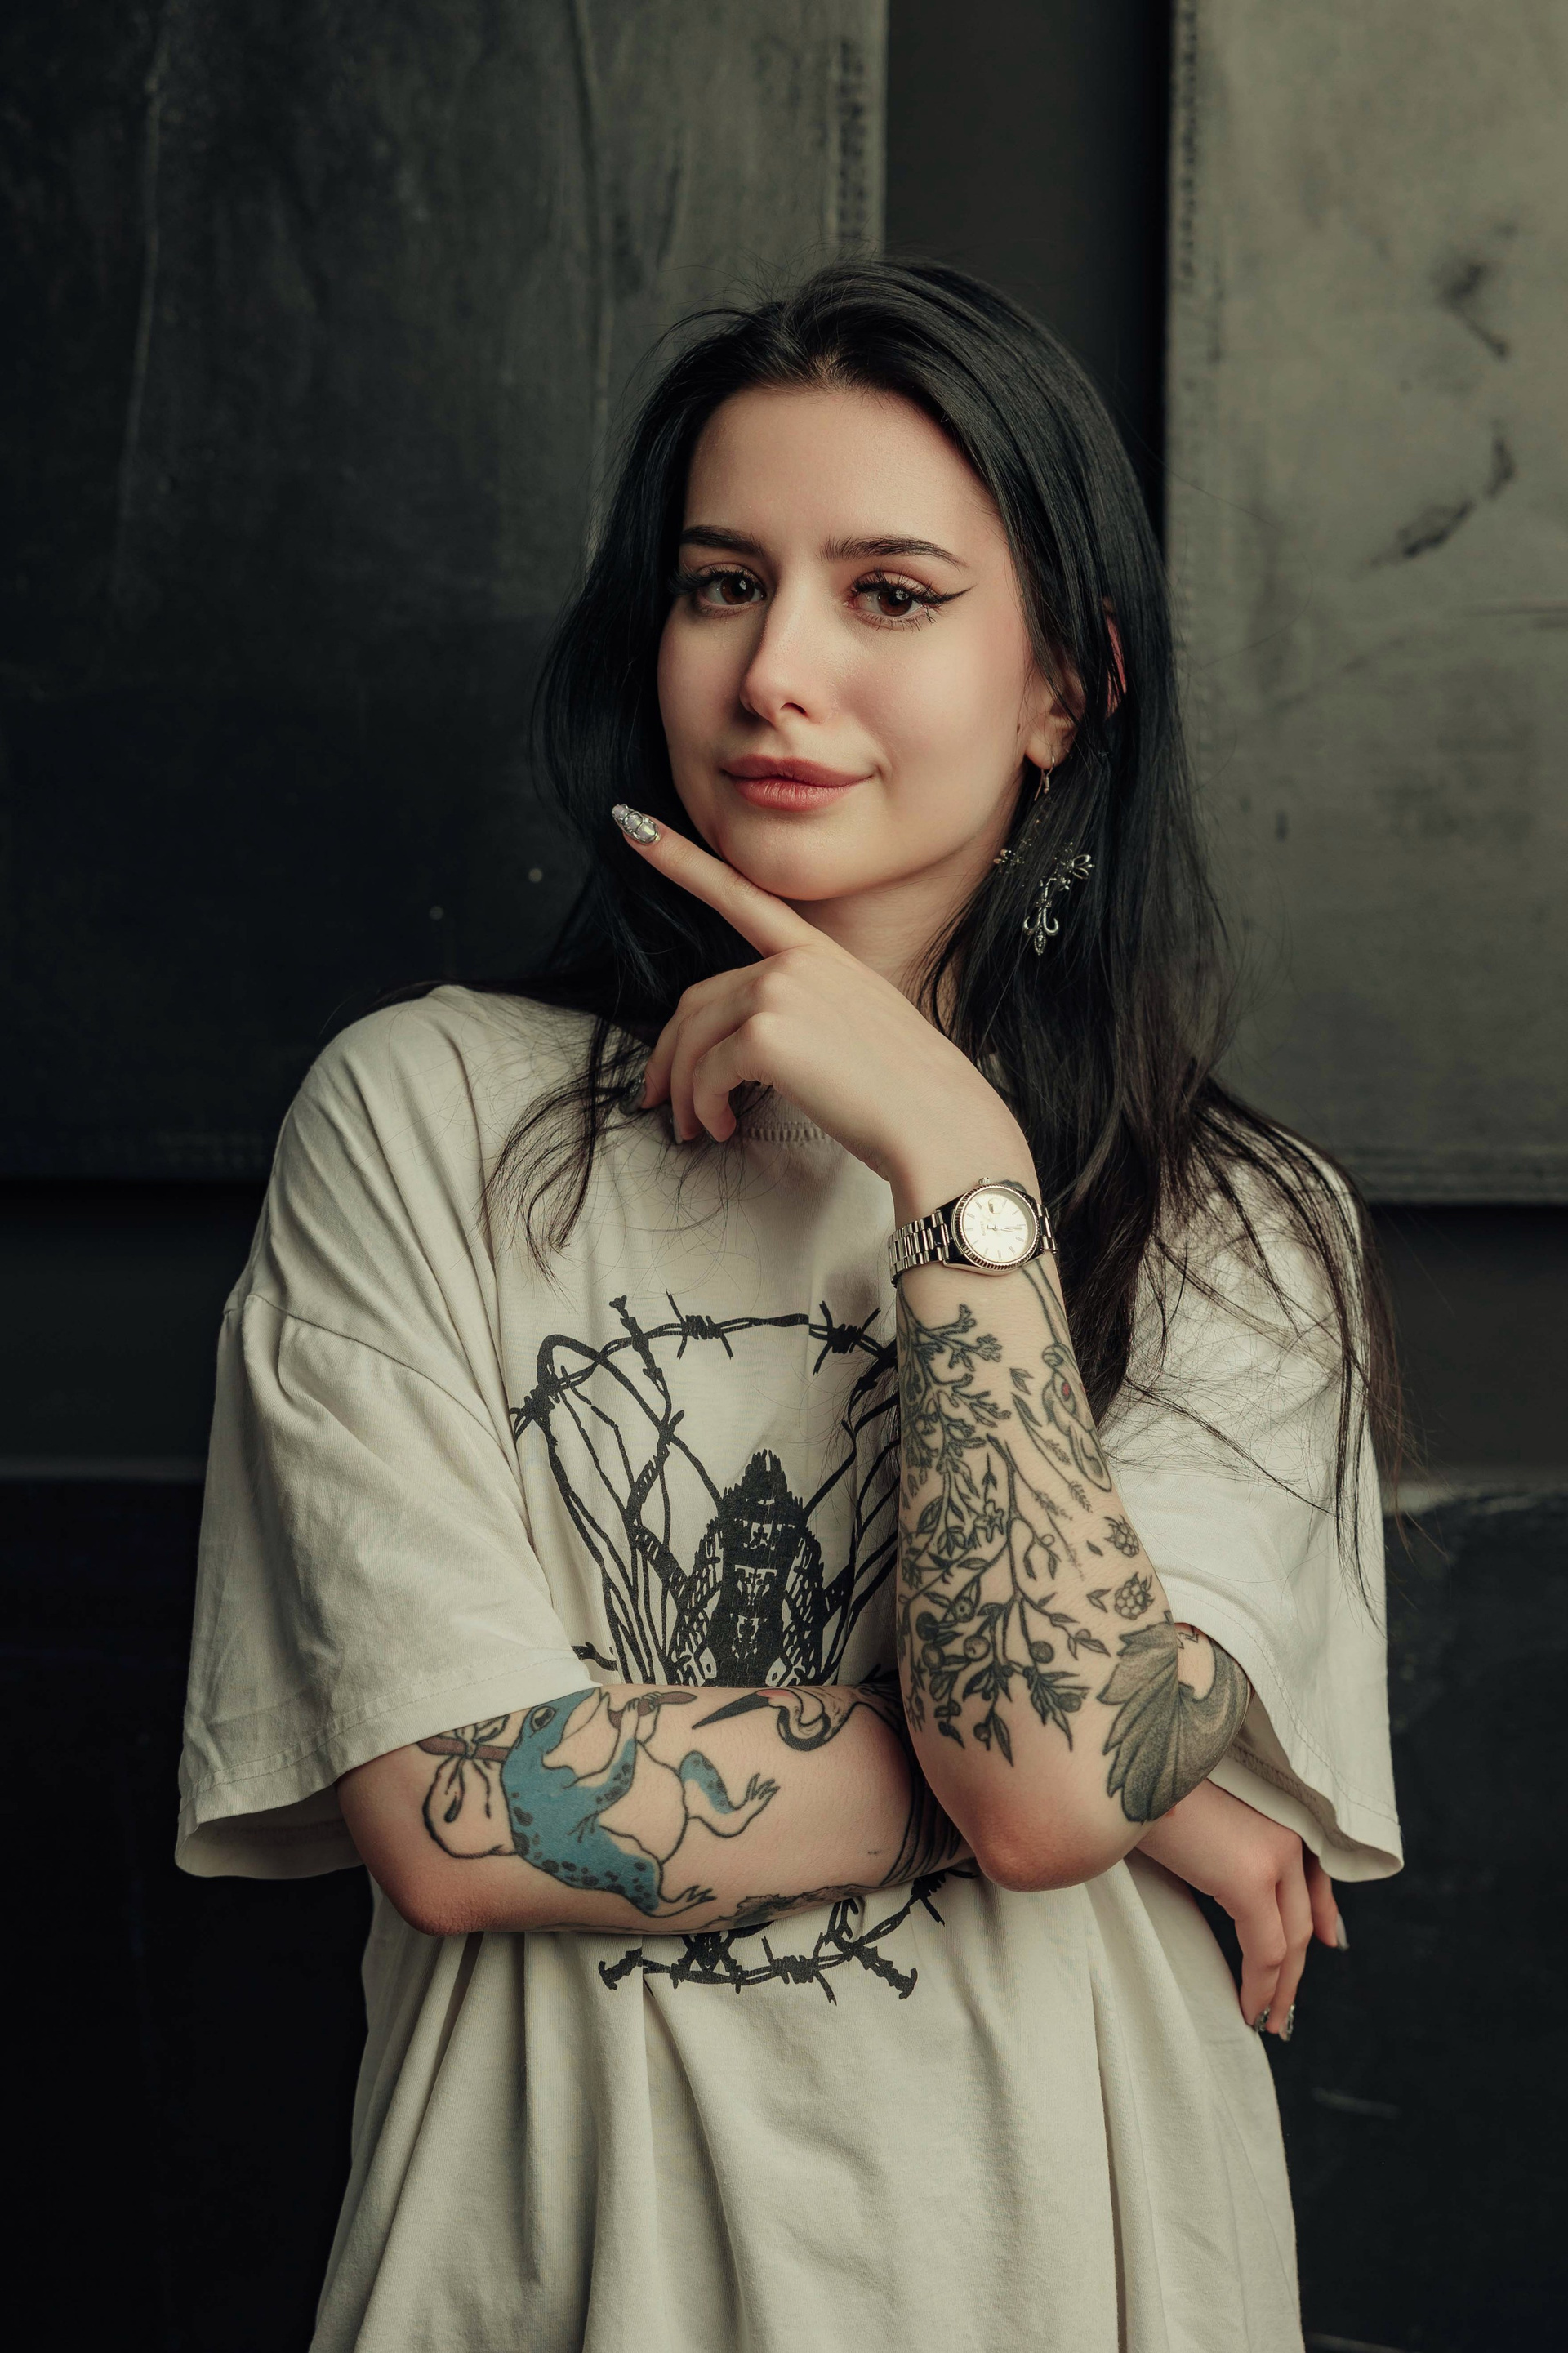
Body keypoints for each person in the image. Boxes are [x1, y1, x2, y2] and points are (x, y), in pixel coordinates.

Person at [177, 261, 1402, 2351]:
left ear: (1065, 687)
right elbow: (461, 1813)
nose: (774, 671)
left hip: (1069, 2278)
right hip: (553, 2278)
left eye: (892, 593)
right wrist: (1106, 1785)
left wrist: (961, 1167)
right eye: (722, 583)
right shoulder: (425, 1113)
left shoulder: (1239, 1226)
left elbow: (1044, 1785)